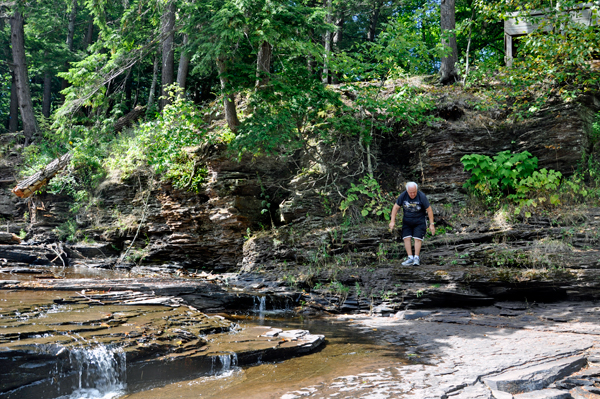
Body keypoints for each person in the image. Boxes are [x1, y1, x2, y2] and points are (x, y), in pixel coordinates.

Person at [388, 182, 435, 266]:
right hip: (407, 220)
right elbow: (395, 208)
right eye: (411, 192)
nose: (413, 194)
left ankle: (416, 258)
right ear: (407, 190)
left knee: (417, 238)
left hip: (419, 220)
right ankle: (410, 258)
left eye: (414, 192)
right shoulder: (403, 195)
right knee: (406, 238)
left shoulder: (421, 196)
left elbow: (429, 210)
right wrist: (392, 221)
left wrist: (431, 224)